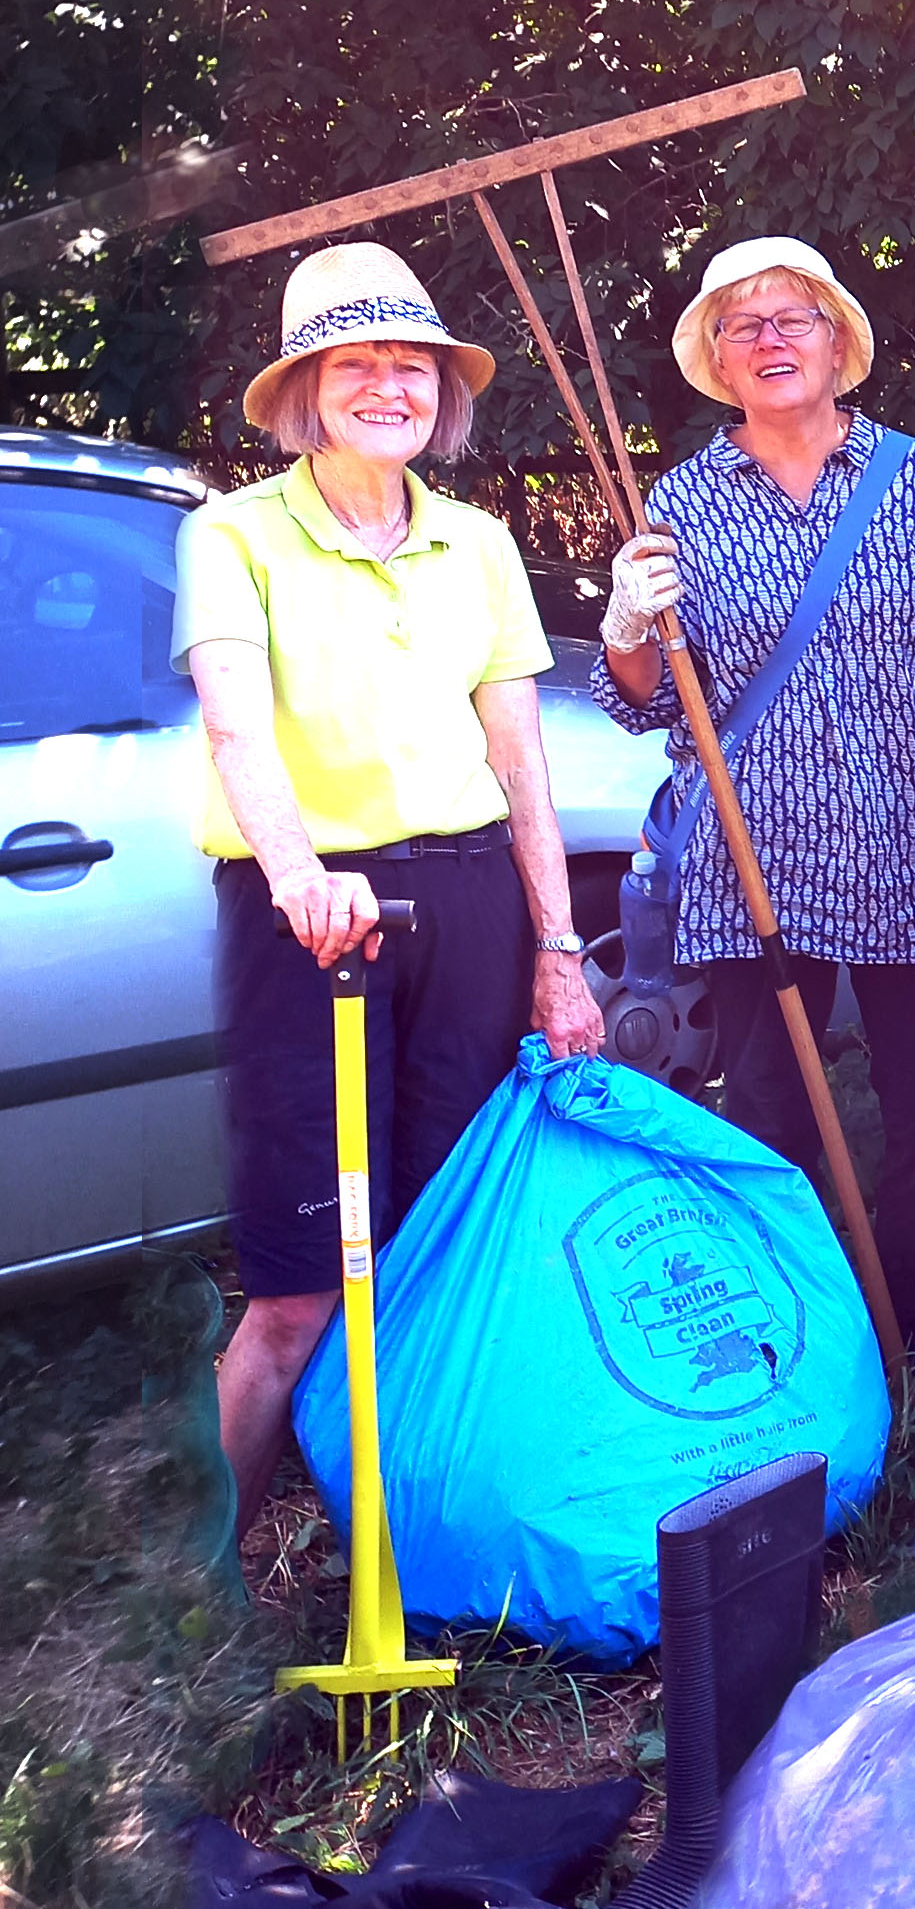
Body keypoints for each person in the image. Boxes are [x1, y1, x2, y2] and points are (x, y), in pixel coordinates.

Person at [179, 240, 605, 1552]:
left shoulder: (476, 544)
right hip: (309, 915)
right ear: (308, 387)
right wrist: (303, 876)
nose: (387, 386)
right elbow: (239, 728)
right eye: (356, 362)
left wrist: (558, 950)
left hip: (472, 901)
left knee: (441, 1248)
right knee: (303, 1283)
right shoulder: (233, 534)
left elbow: (522, 761)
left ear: (441, 391)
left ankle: (414, 1534)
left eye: (410, 364)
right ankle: (209, 1565)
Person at [596, 236, 915, 1361]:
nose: (768, 341)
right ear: (718, 361)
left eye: (791, 319)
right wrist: (629, 626)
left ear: (835, 341)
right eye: (741, 325)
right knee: (774, 1115)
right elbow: (649, 701)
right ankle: (803, 1339)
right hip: (756, 852)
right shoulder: (680, 499)